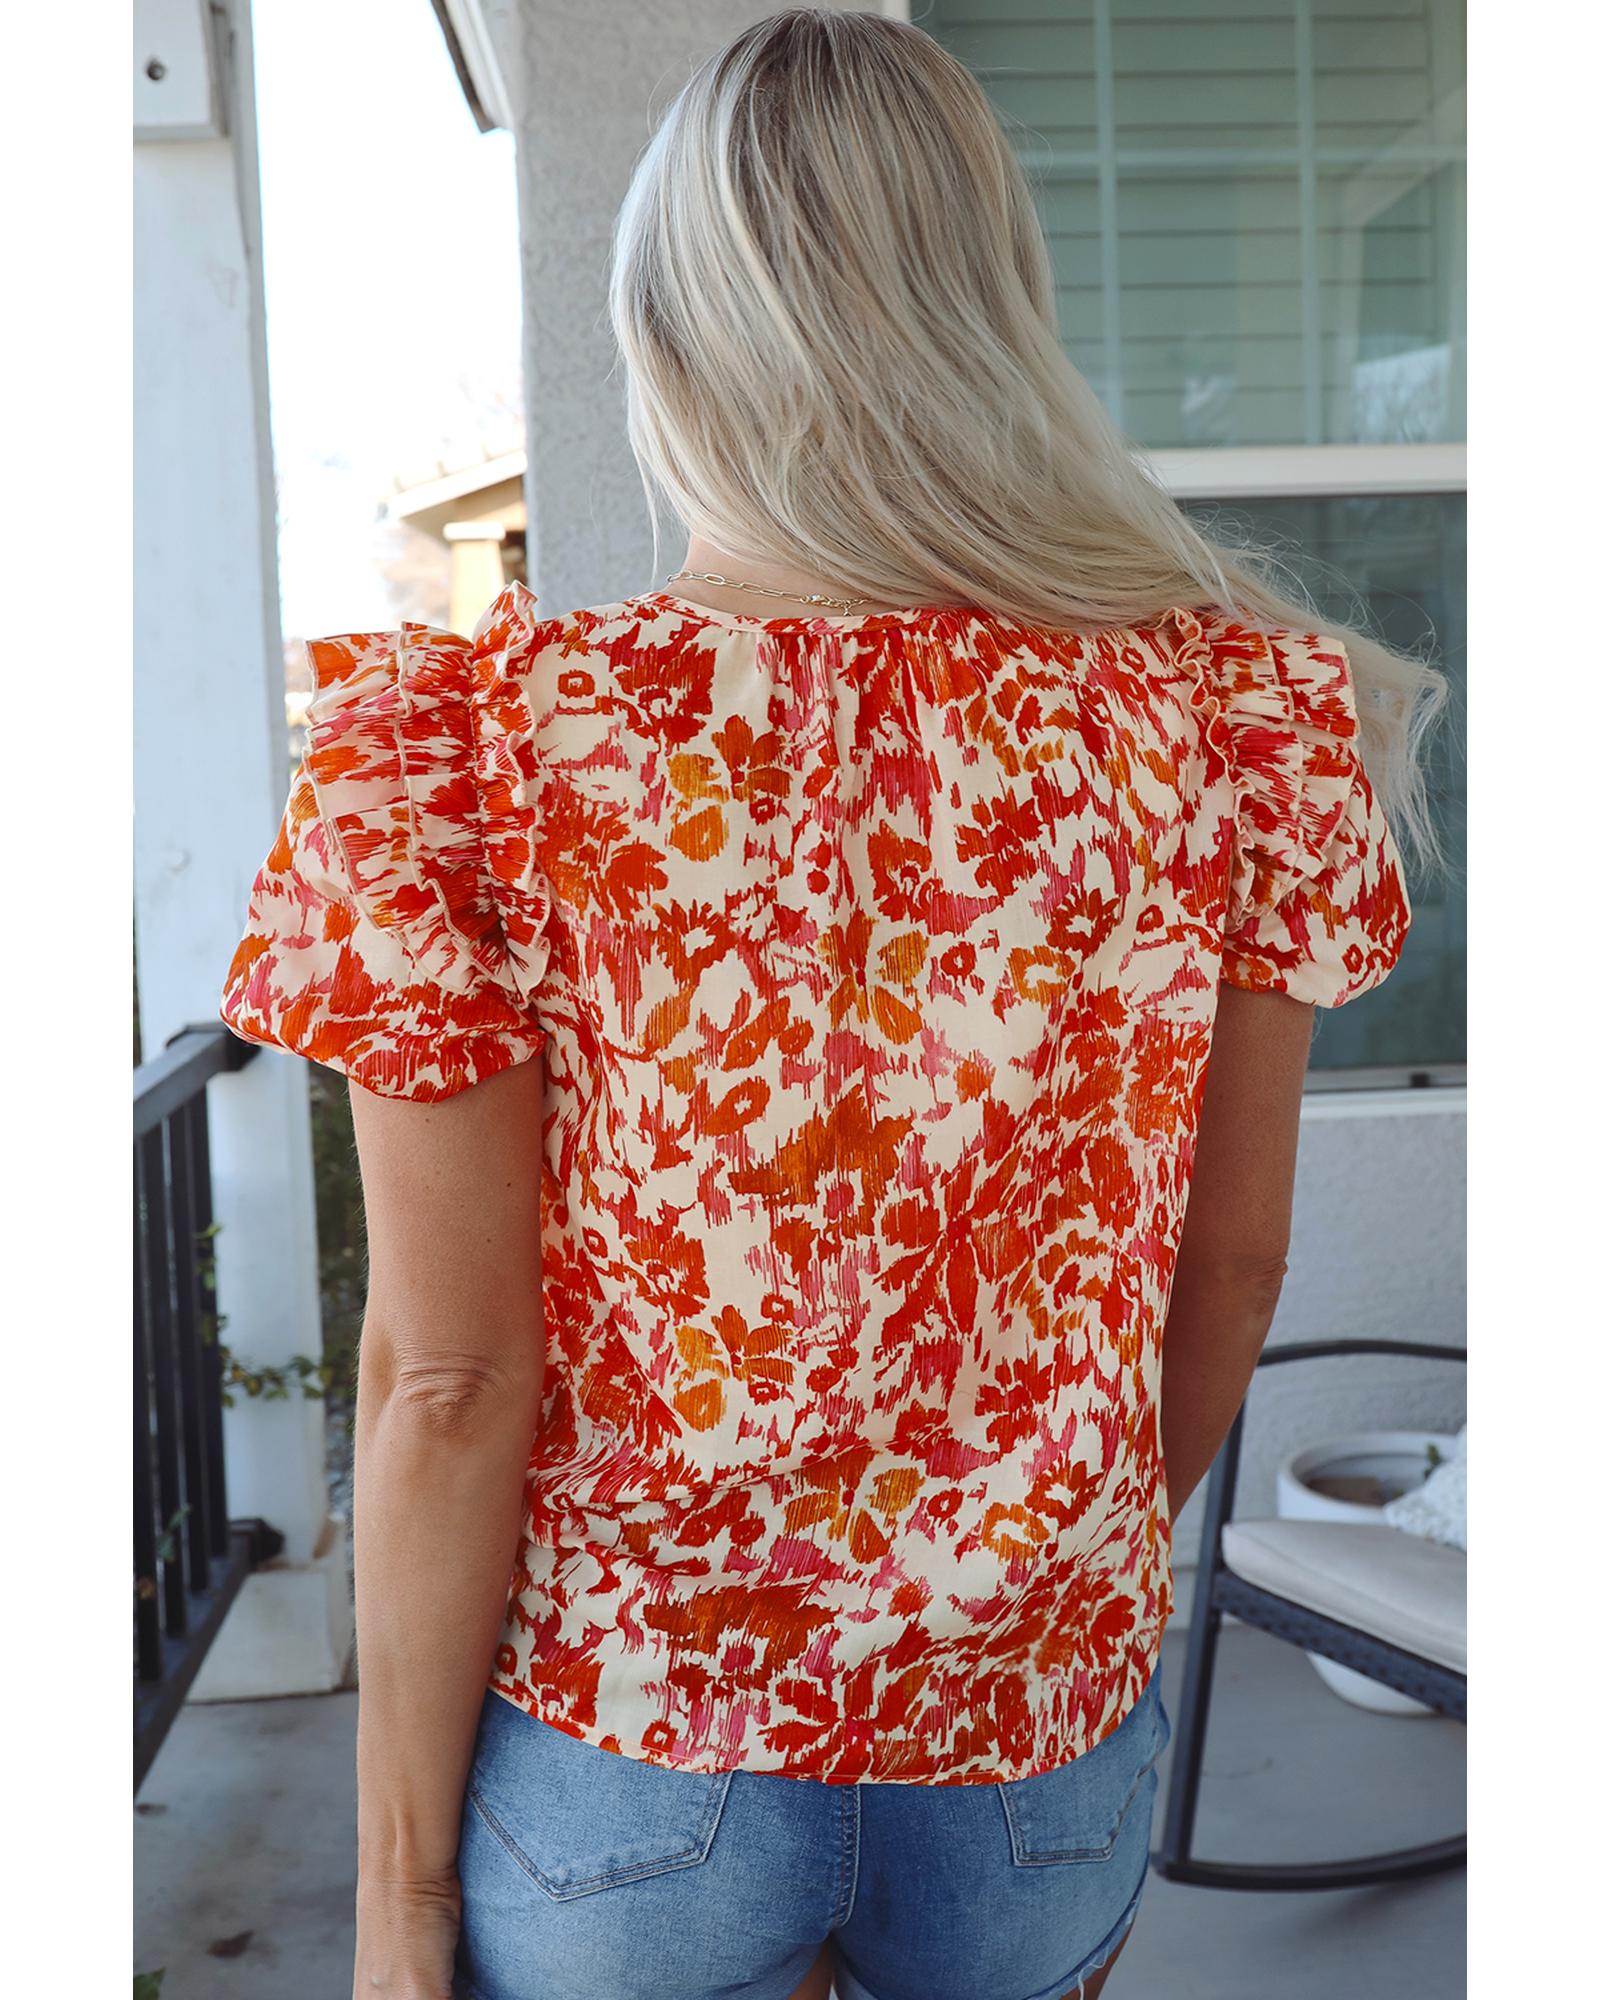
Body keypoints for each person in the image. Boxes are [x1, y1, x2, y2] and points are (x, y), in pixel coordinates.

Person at [219, 11, 1445, 2000]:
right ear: (995, 315)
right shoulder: (1223, 721)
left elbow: (444, 1379)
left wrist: (395, 1899)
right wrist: (1036, 1592)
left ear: (666, 338)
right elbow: (1226, 1267)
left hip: (637, 1743)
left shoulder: (485, 750)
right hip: (1031, 1742)